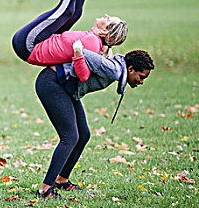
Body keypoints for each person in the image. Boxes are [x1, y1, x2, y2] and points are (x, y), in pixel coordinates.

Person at [34, 45, 154, 199]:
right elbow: (83, 53)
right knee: (70, 137)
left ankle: (61, 180)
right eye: (141, 77)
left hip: (66, 88)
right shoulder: (114, 69)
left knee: (83, 135)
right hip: (51, 83)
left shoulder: (117, 69)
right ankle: (45, 189)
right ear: (130, 69)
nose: (141, 82)